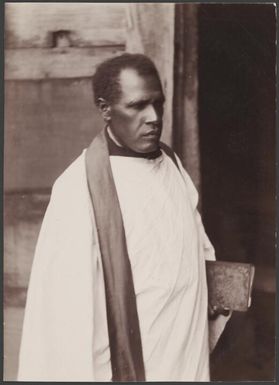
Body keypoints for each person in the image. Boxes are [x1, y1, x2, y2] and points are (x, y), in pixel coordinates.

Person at [18, 53, 230, 382]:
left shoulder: (172, 165)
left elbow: (197, 249)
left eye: (158, 103)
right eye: (137, 105)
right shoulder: (79, 188)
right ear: (105, 109)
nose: (154, 117)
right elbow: (66, 315)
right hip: (127, 367)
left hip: (185, 354)